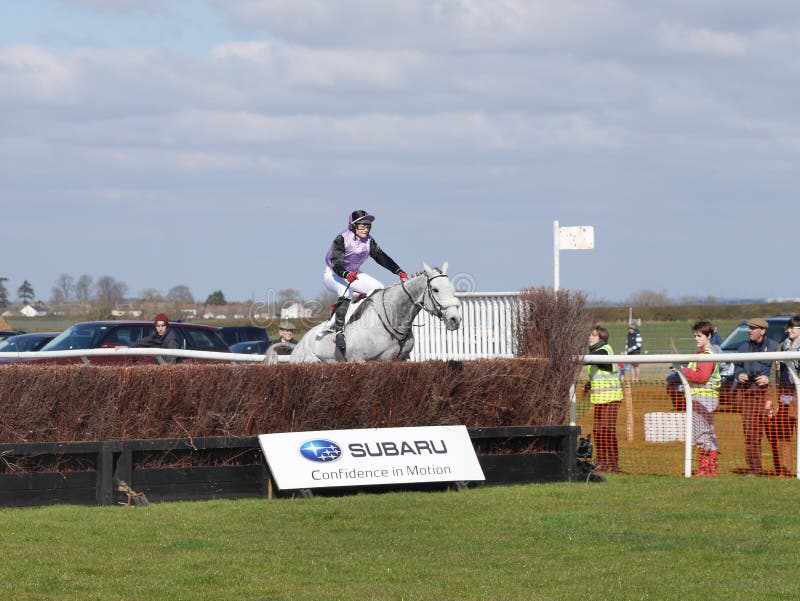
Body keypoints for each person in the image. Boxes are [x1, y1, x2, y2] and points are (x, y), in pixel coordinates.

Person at [323, 210, 407, 355]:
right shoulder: (341, 239)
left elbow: (382, 258)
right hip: (333, 274)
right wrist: (345, 274)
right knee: (346, 292)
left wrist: (398, 271)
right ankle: (339, 332)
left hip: (353, 274)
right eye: (362, 226)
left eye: (368, 226)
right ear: (353, 226)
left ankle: (361, 318)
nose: (365, 229)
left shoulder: (369, 241)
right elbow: (336, 263)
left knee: (378, 288)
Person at [733, 317, 778, 476]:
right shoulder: (743, 347)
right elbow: (736, 367)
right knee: (751, 434)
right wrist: (739, 375)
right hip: (748, 394)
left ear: (762, 331)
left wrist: (769, 379)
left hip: (768, 394)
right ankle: (755, 470)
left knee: (774, 433)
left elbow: (780, 370)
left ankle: (781, 470)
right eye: (749, 328)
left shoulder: (774, 347)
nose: (749, 331)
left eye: (753, 328)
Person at [676, 320, 721, 476]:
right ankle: (707, 469)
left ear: (708, 336)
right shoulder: (701, 354)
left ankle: (707, 470)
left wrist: (683, 371)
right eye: (694, 335)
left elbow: (701, 377)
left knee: (703, 434)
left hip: (704, 398)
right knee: (705, 433)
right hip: (701, 398)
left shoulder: (707, 355)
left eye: (699, 336)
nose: (696, 339)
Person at [583, 325, 623, 472]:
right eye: (589, 335)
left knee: (607, 430)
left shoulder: (604, 350)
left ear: (601, 338)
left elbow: (598, 360)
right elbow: (600, 372)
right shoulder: (593, 353)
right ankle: (600, 463)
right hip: (600, 399)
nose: (590, 337)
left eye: (593, 335)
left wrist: (579, 359)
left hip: (611, 398)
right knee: (598, 430)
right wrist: (588, 385)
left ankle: (613, 465)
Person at [769, 314, 800, 477]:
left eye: (792, 327)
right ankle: (785, 471)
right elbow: (775, 370)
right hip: (784, 396)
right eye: (788, 327)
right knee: (783, 435)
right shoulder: (782, 346)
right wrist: (773, 392)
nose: (789, 330)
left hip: (798, 395)